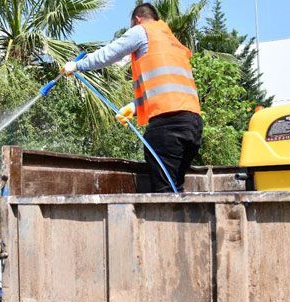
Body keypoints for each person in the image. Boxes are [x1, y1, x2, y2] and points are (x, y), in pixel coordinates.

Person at [63, 2, 203, 193]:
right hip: (192, 125)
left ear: (137, 19)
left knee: (165, 193)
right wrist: (135, 107)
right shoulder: (171, 42)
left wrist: (77, 66)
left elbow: (109, 54)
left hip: (168, 126)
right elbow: (166, 88)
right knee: (174, 187)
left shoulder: (142, 31)